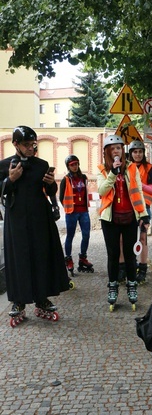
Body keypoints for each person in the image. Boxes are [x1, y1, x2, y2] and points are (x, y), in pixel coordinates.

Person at [0, 126, 70, 325]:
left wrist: (50, 183)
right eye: (27, 145)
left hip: (40, 217)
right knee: (18, 258)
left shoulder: (41, 165)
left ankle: (42, 298)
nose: (31, 148)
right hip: (17, 220)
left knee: (41, 256)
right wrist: (10, 180)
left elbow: (50, 192)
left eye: (34, 144)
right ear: (15, 144)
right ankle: (19, 301)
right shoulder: (5, 165)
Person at [97, 135, 150, 310]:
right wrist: (113, 172)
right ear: (107, 152)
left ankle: (132, 285)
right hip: (110, 220)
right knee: (113, 254)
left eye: (119, 148)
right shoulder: (102, 170)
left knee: (129, 254)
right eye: (113, 149)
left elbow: (139, 192)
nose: (116, 151)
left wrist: (143, 215)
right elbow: (102, 190)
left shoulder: (132, 168)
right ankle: (112, 286)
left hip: (129, 217)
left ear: (123, 150)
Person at [120, 140, 152, 284]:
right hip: (128, 208)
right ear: (130, 153)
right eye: (135, 152)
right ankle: (125, 267)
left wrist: (139, 184)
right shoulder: (126, 167)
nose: (138, 154)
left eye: (140, 152)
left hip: (143, 208)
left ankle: (142, 268)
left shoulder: (149, 168)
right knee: (125, 239)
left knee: (143, 239)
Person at [59, 155, 93, 276]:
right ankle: (68, 258)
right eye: (72, 165)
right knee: (70, 236)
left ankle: (82, 257)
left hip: (84, 211)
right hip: (71, 212)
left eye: (76, 164)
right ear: (68, 166)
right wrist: (67, 208)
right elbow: (61, 197)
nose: (75, 166)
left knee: (86, 235)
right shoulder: (66, 179)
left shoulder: (83, 177)